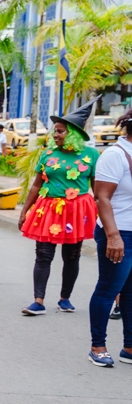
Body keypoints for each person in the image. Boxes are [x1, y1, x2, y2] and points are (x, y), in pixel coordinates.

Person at [17, 108, 95, 317]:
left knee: (72, 256)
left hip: (76, 210)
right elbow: (36, 185)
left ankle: (65, 298)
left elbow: (97, 189)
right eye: (55, 131)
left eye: (60, 131)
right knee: (43, 255)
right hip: (49, 209)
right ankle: (38, 301)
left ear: (74, 134)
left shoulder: (92, 155)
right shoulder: (48, 154)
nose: (56, 135)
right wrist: (25, 210)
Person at [89, 109, 132, 367]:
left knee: (130, 292)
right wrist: (113, 236)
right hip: (117, 231)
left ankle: (129, 347)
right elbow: (101, 197)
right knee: (108, 289)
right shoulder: (115, 155)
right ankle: (98, 346)